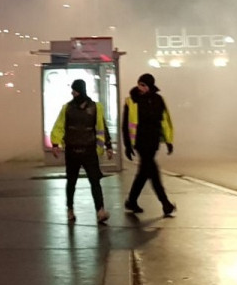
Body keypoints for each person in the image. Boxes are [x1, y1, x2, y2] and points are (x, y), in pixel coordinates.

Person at [50, 78, 115, 224]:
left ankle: (100, 211)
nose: (73, 93)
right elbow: (59, 126)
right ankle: (70, 209)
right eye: (73, 91)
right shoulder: (66, 108)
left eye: (75, 90)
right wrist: (55, 143)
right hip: (73, 151)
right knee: (71, 182)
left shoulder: (95, 107)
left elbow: (101, 127)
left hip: (89, 150)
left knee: (95, 181)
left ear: (81, 90)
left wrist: (108, 145)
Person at [122, 73, 176, 216]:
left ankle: (131, 201)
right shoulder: (131, 100)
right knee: (152, 171)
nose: (140, 87)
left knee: (144, 172)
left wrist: (168, 141)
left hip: (153, 141)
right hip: (140, 142)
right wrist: (127, 145)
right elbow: (125, 124)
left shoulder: (159, 100)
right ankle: (165, 203)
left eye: (144, 85)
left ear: (150, 86)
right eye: (139, 84)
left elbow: (164, 121)